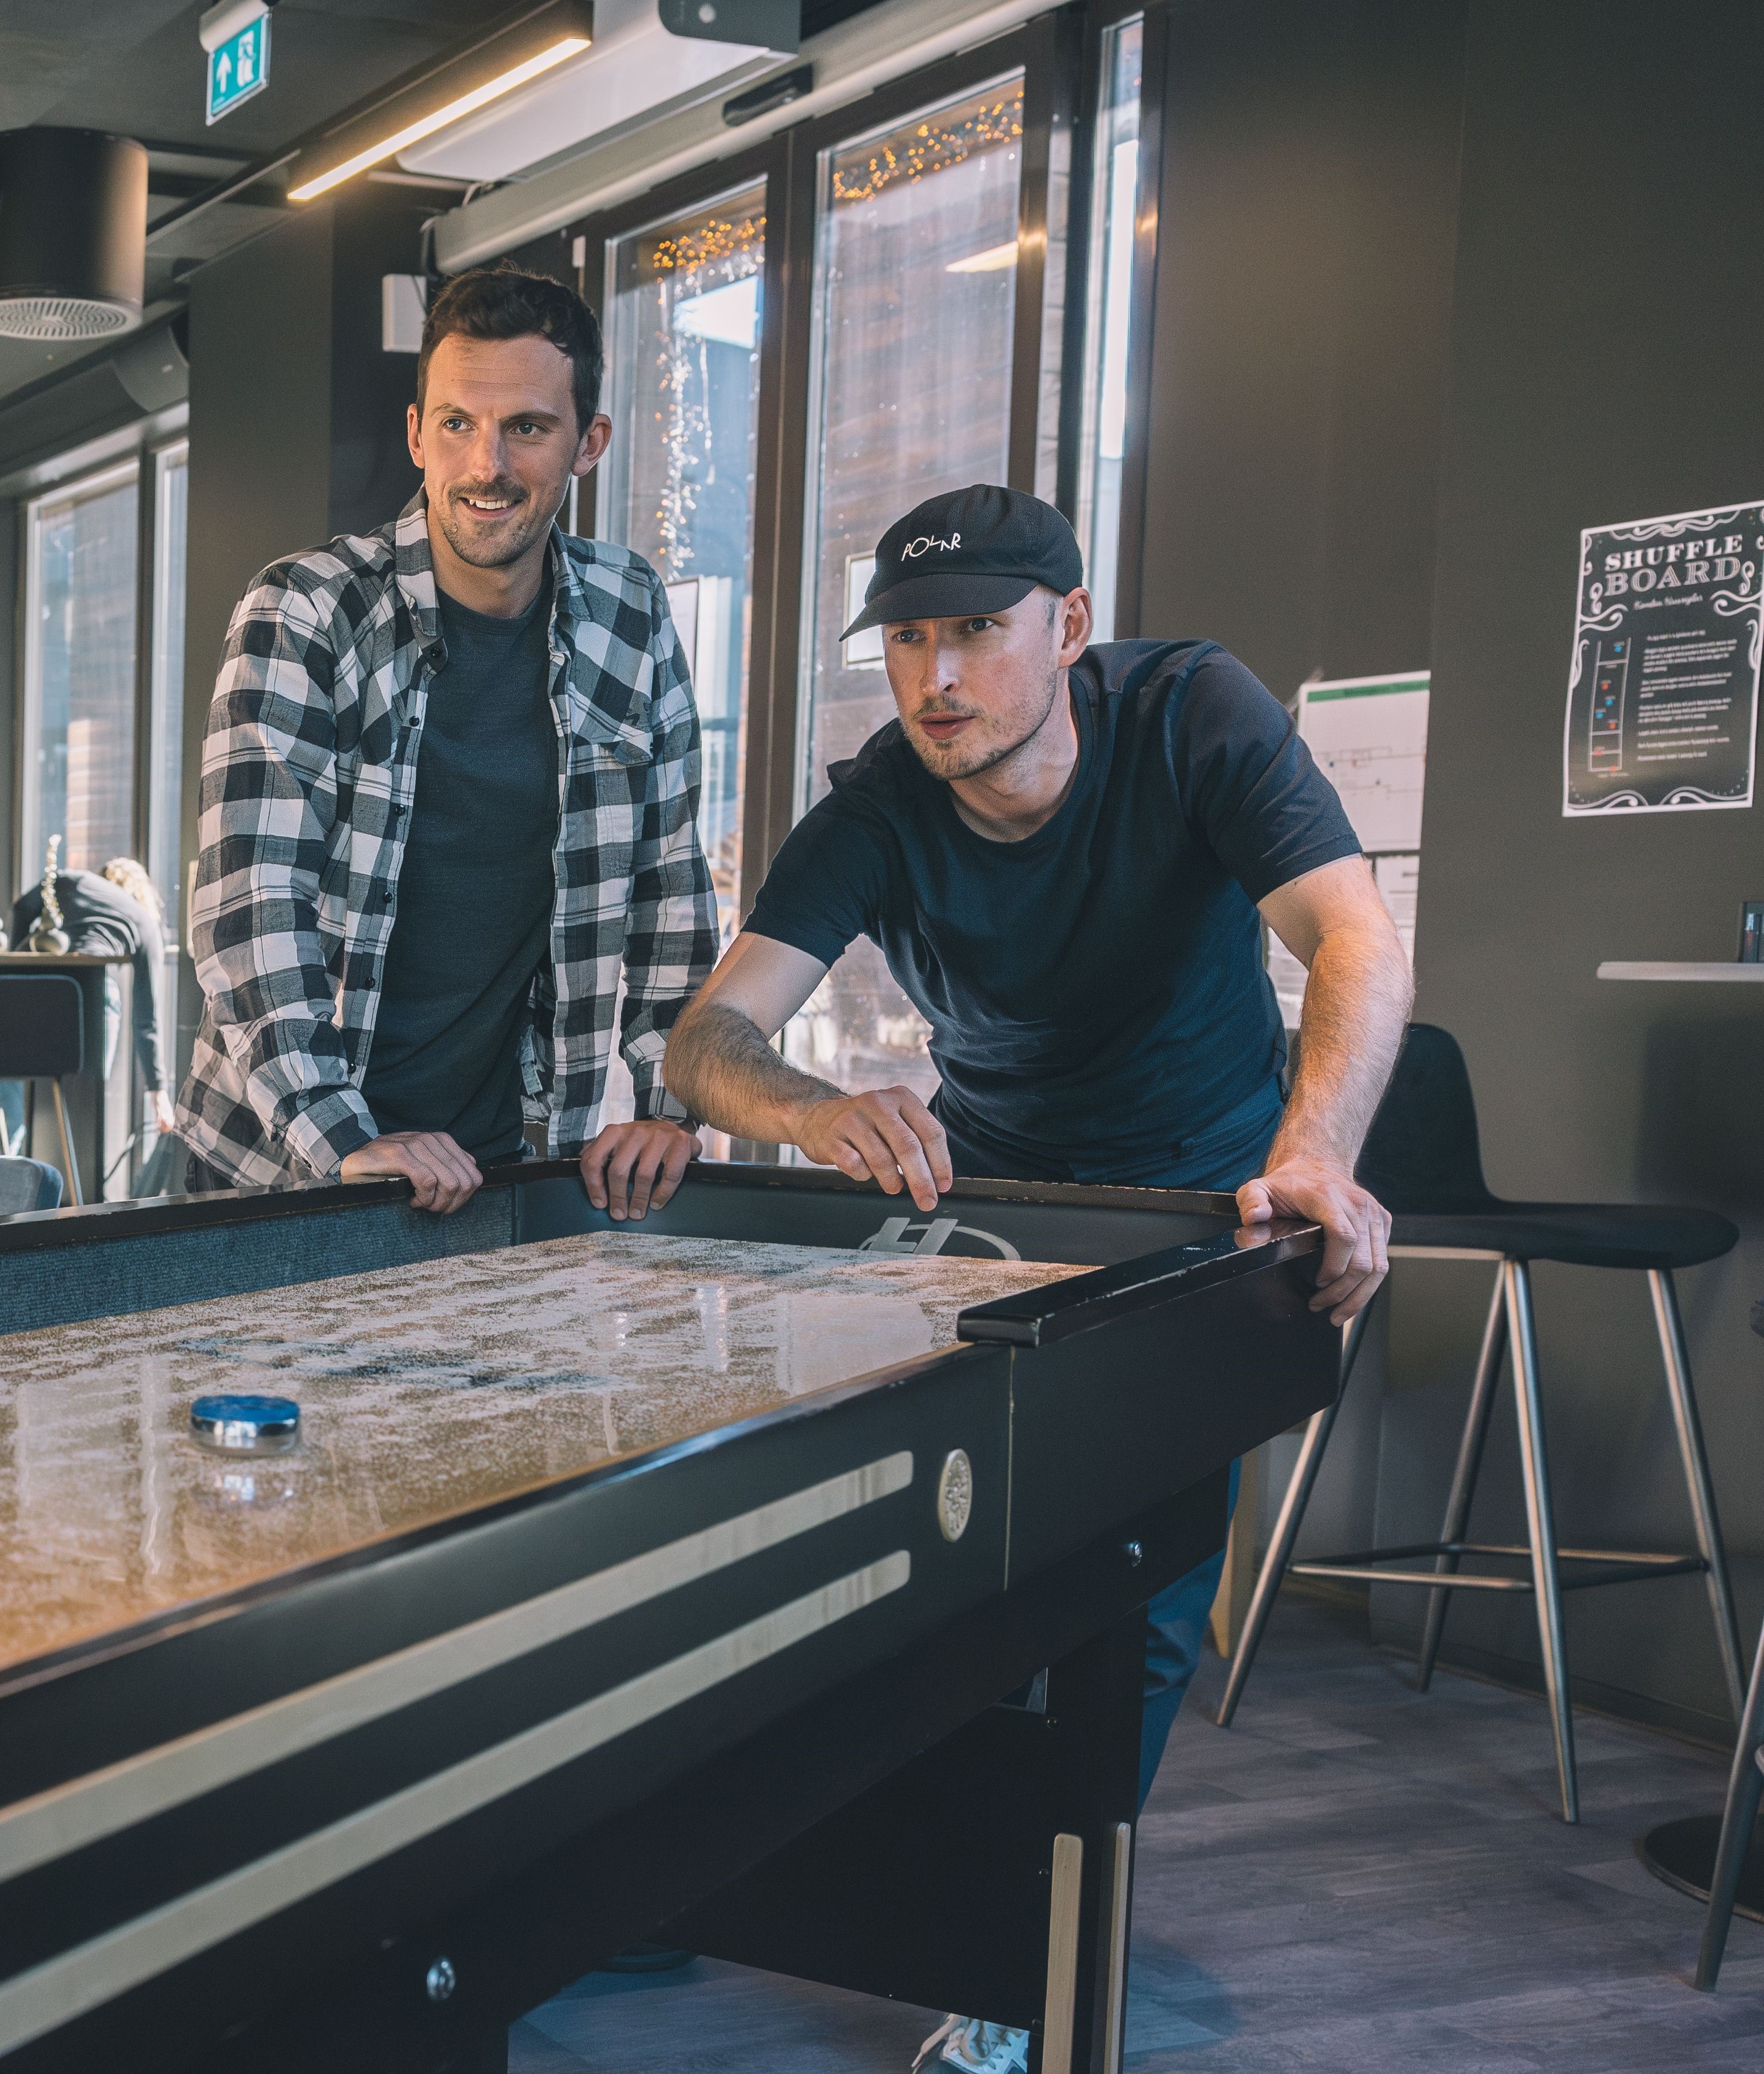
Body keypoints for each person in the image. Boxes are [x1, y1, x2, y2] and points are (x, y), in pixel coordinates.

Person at [661, 485, 1407, 2074]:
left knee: (1136, 1587)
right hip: (997, 1197)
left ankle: (1031, 1948)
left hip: (1209, 1195)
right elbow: (707, 1038)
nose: (936, 676)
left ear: (1065, 627)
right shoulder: (878, 798)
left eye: (975, 631)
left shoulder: (1189, 711)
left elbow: (1351, 937)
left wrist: (1317, 1151)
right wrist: (811, 1107)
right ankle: (905, 1870)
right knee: (946, 1553)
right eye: (909, 639)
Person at [173, 266, 716, 1221]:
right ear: (418, 433)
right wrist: (347, 1139)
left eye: (528, 428)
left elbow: (669, 891)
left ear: (588, 443)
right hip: (288, 1171)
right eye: (459, 424)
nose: (487, 466)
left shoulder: (630, 615)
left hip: (509, 1167)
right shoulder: (308, 611)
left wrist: (675, 1107)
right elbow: (248, 910)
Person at [9, 853, 173, 1142]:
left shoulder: (76, 880)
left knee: (11, 1110)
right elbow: (147, 1017)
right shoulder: (144, 921)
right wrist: (158, 1091)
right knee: (81, 1110)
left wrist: (14, 965)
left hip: (33, 986)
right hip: (92, 995)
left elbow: (22, 908)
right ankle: (73, 1185)